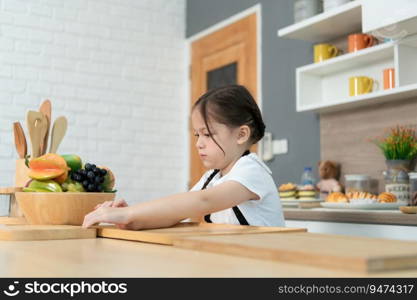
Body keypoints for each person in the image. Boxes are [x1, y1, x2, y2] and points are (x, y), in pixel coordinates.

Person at [82, 85, 285, 230]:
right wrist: (131, 218)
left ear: (241, 134)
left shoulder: (251, 171)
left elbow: (202, 201)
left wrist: (129, 213)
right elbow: (175, 212)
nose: (199, 143)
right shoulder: (211, 177)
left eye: (208, 134)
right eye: (198, 135)